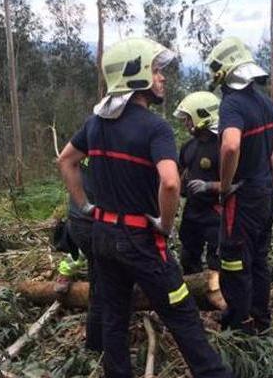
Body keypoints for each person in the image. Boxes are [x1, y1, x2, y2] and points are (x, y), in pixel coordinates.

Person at [58, 37, 232, 378]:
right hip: (142, 239)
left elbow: (66, 160)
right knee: (181, 310)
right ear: (135, 75)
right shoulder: (155, 127)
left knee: (114, 317)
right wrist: (165, 225)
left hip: (103, 236)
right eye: (155, 70)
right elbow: (170, 182)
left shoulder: (95, 124)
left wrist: (86, 206)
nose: (162, 77)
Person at [205, 37, 273, 335]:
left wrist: (225, 184)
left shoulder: (232, 104)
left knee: (233, 261)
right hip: (265, 193)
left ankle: (240, 324)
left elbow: (230, 146)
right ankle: (261, 320)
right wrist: (272, 162)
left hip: (242, 197)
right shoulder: (262, 101)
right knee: (258, 258)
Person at [54, 157, 102, 352]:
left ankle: (95, 343)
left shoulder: (85, 150)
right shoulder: (98, 152)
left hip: (82, 220)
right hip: (89, 223)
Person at [173, 91, 222, 274]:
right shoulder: (188, 146)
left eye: (189, 119)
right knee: (188, 256)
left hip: (216, 211)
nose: (186, 123)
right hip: (192, 211)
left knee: (216, 260)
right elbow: (178, 171)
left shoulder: (223, 146)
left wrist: (209, 186)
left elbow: (236, 182)